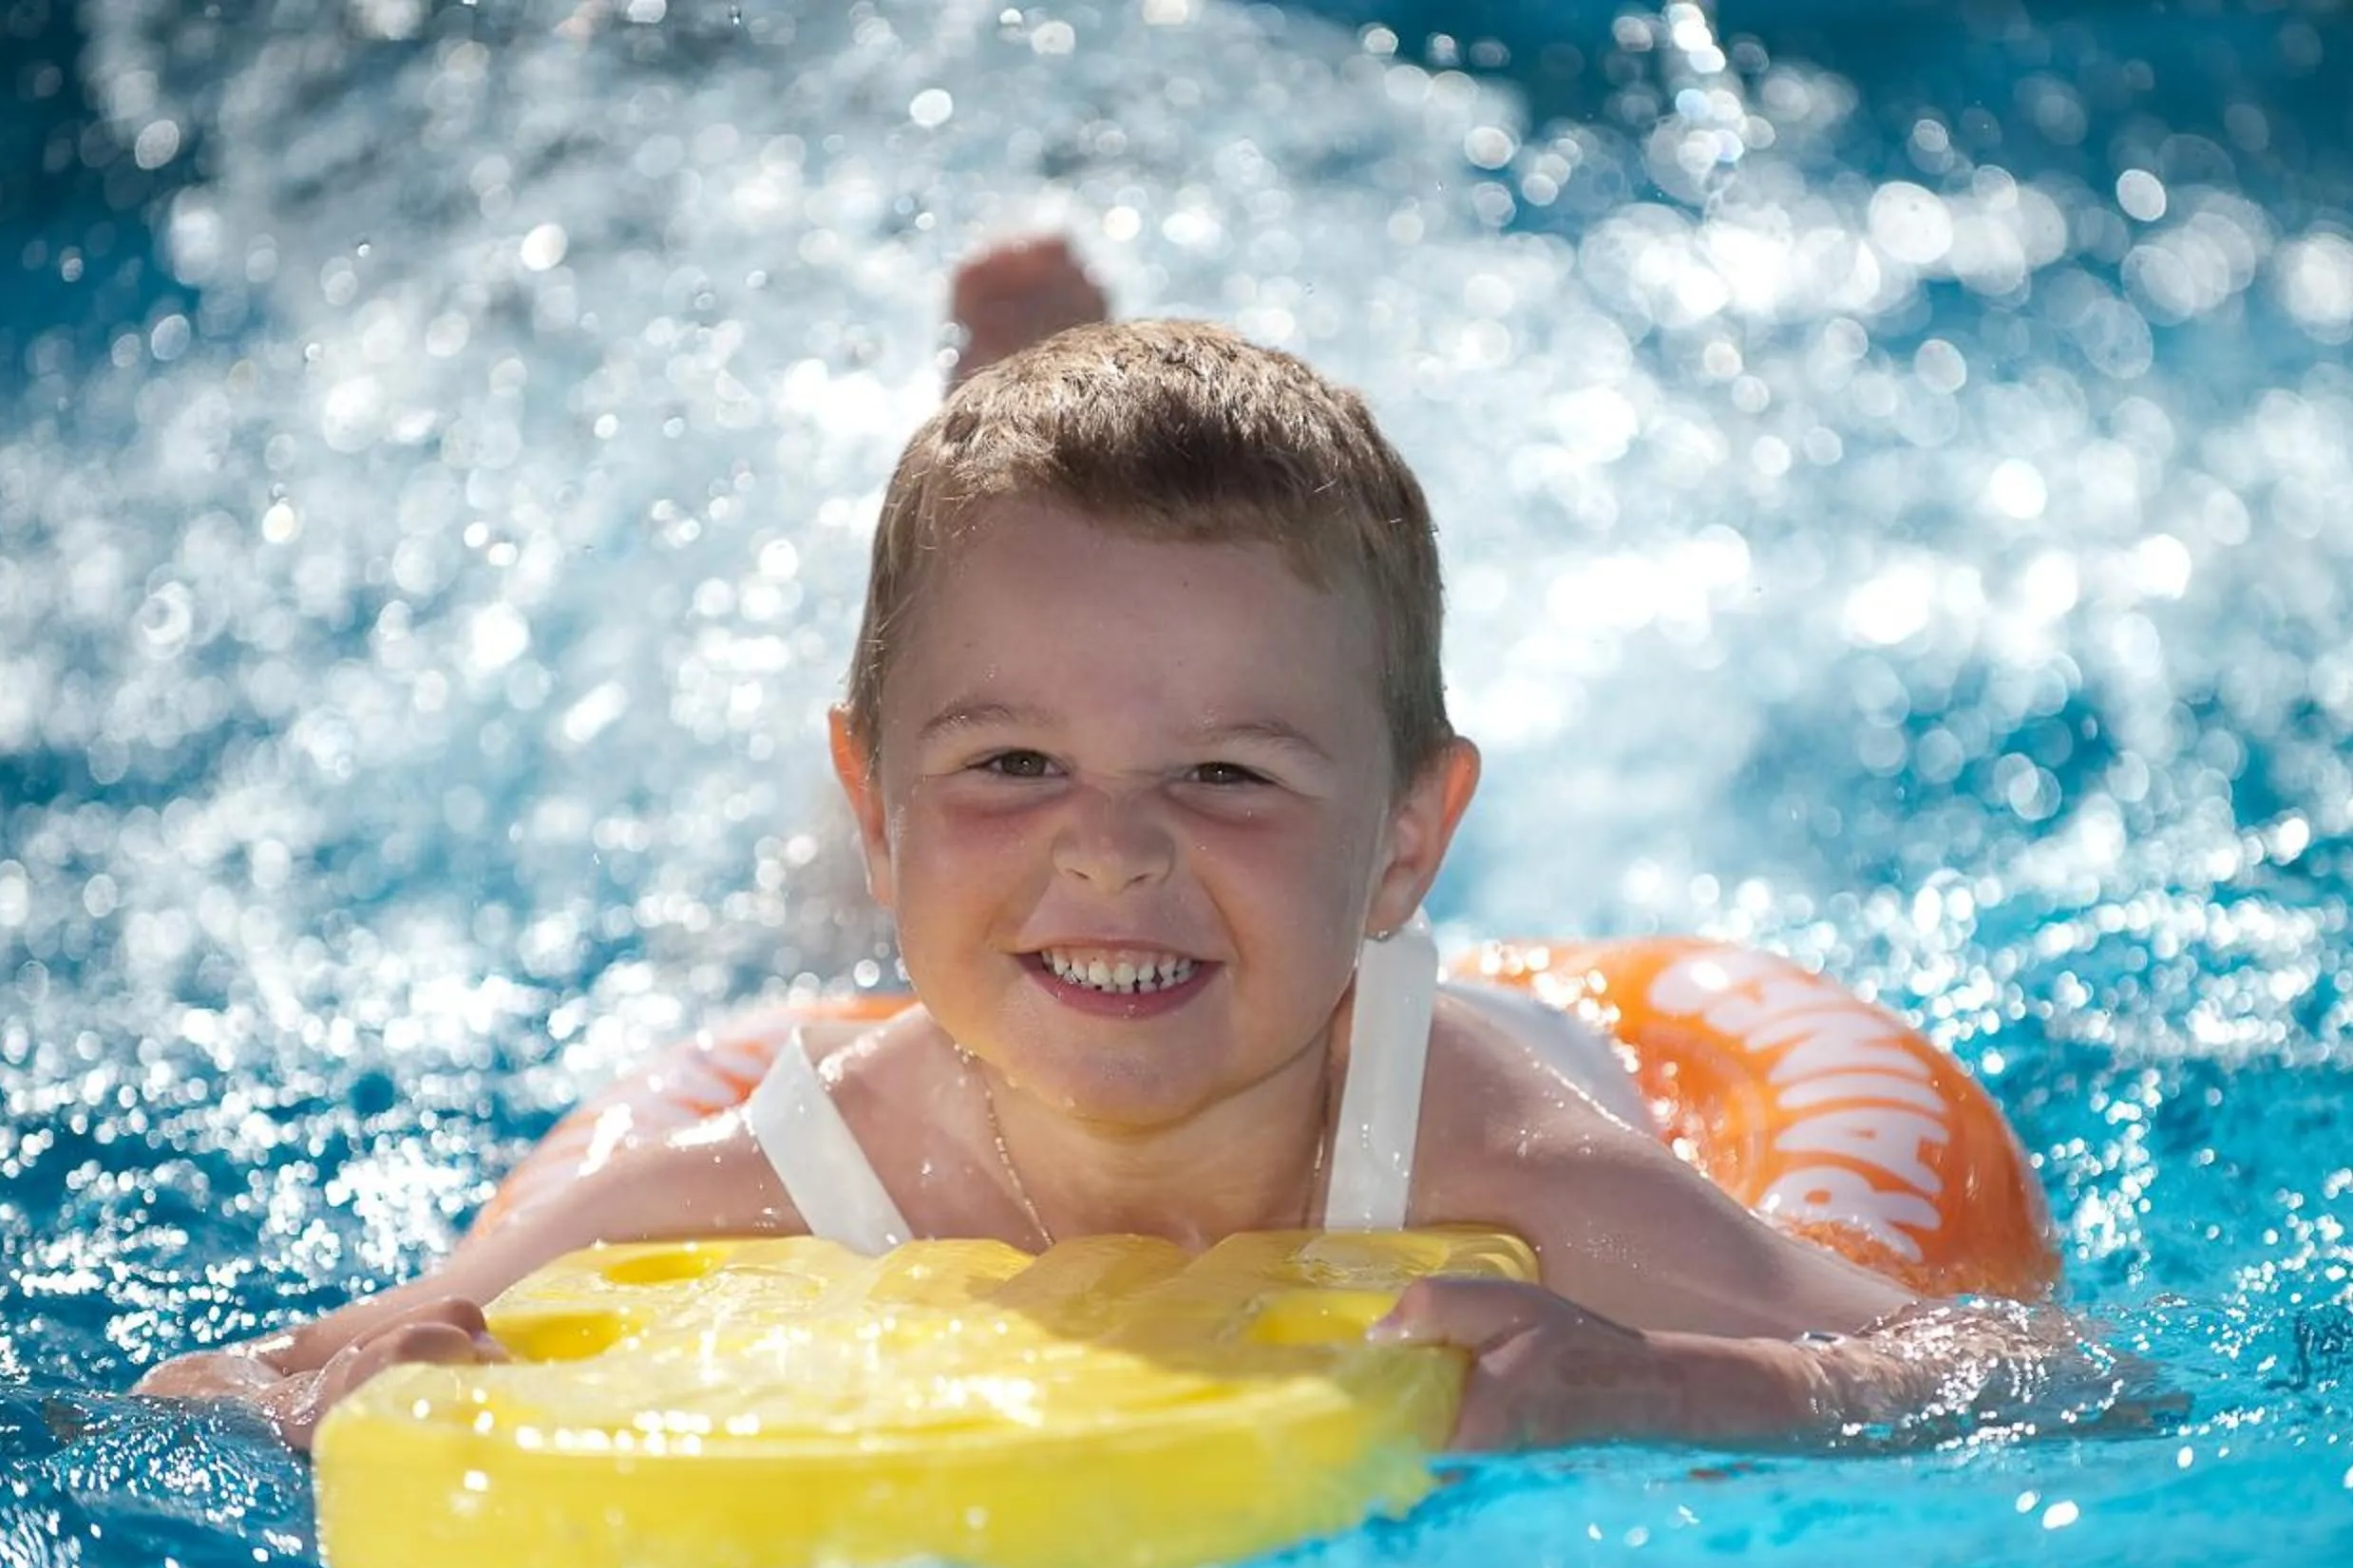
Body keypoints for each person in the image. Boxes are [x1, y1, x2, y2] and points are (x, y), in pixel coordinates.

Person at [139, 237, 2135, 1453]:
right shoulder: (781, 1158)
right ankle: (1019, 444)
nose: (1115, 850)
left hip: (1408, 1035)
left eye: (1227, 777)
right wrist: (352, 1386)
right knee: (804, 928)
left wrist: (1694, 1387)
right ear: (878, 789)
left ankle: (1043, 519)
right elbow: (220, 1387)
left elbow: (2053, 1377)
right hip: (925, 978)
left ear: (1412, 840)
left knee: (1034, 867)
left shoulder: (1474, 1144)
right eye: (1017, 760)